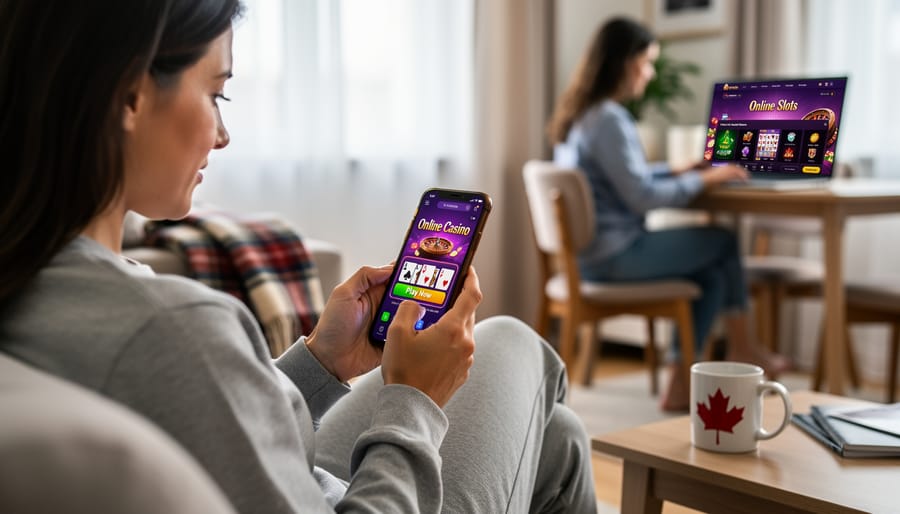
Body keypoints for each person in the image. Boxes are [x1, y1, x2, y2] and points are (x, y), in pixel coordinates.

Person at [0, 1, 596, 512]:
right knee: (519, 345)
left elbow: (205, 425)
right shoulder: (170, 327)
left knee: (559, 440)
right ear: (128, 95)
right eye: (216, 92)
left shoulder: (41, 278)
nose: (222, 134)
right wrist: (415, 399)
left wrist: (322, 363)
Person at [546, 17, 791, 411]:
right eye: (647, 62)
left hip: (589, 258)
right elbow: (641, 196)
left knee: (710, 274)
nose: (651, 72)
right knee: (724, 242)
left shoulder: (583, 117)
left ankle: (680, 382)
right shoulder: (610, 119)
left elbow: (624, 179)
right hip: (615, 257)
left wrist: (675, 170)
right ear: (626, 63)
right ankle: (748, 350)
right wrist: (706, 181)